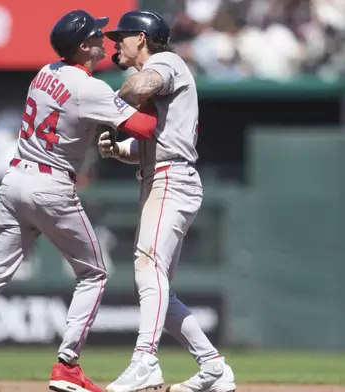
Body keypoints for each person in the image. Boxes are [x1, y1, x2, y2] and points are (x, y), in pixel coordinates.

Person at [0, 9, 159, 392]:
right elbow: (145, 128)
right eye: (97, 36)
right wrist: (149, 91)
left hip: (15, 179)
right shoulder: (90, 88)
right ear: (84, 46)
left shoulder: (45, 72)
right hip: (51, 187)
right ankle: (67, 365)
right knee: (94, 273)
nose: (104, 40)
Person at [98, 10, 236, 392]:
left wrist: (109, 103)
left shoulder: (165, 60)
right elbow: (154, 143)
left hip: (171, 179)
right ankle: (214, 368)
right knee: (157, 283)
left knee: (147, 266)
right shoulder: (157, 67)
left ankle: (145, 359)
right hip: (162, 174)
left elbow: (141, 86)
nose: (115, 44)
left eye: (121, 36)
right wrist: (119, 149)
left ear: (141, 38)